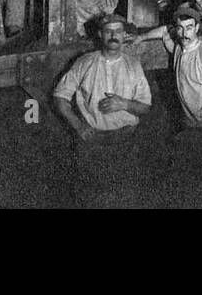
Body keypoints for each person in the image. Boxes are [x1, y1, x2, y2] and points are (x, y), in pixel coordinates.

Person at [52, 14, 153, 207]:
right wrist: (79, 127)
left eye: (118, 31)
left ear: (124, 35)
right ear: (100, 34)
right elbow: (60, 96)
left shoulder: (133, 65)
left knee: (125, 198)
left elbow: (145, 107)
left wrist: (124, 104)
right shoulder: (84, 62)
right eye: (108, 31)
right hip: (92, 143)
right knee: (90, 198)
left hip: (125, 142)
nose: (114, 35)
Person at [135, 4, 202, 149]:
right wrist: (141, 37)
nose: (184, 33)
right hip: (188, 123)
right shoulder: (178, 48)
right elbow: (165, 30)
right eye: (180, 28)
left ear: (197, 28)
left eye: (189, 28)